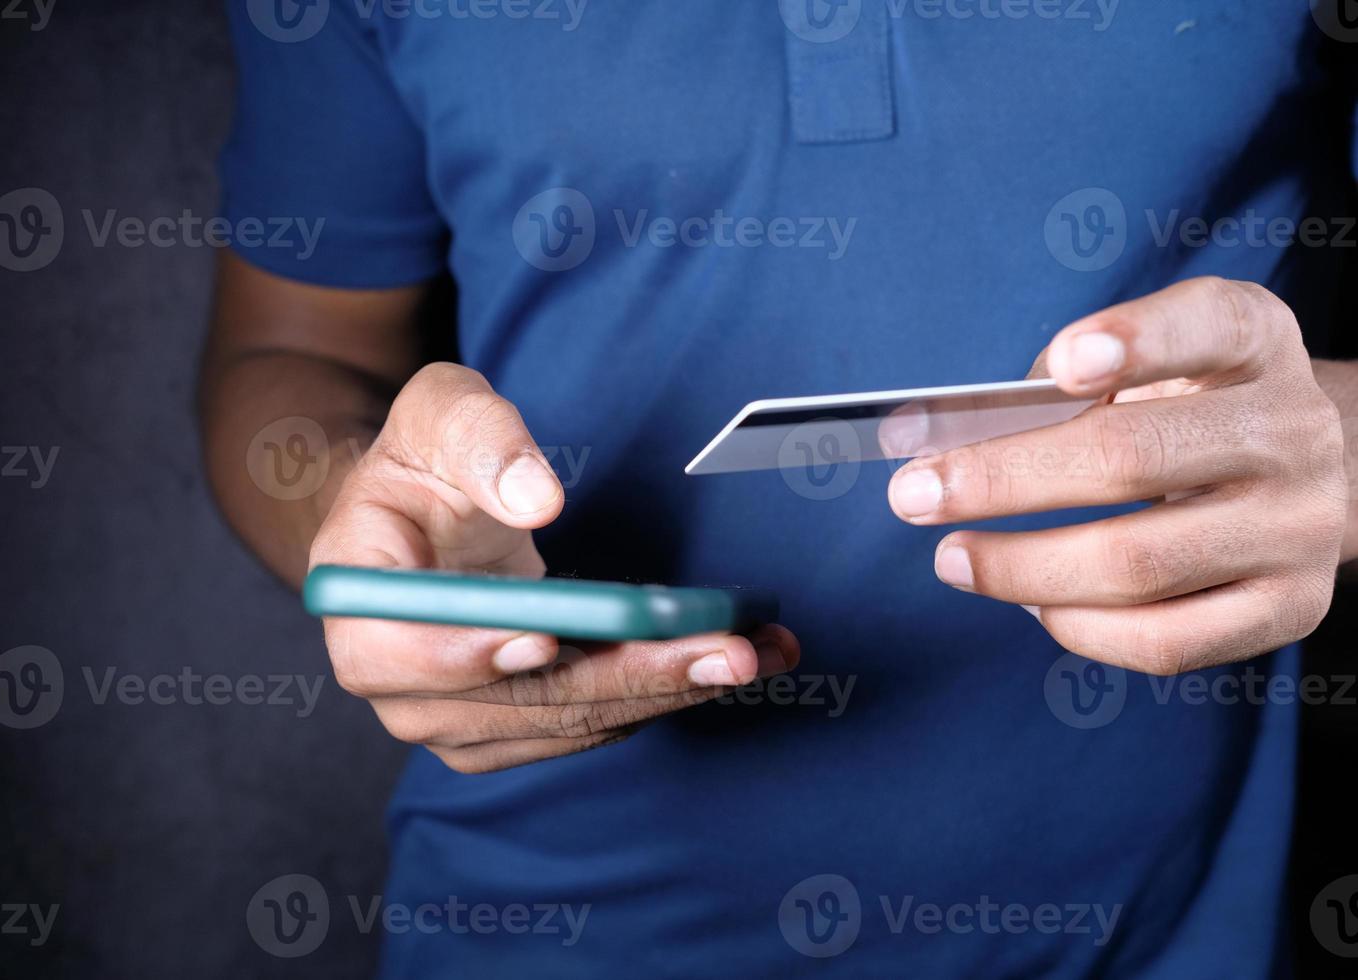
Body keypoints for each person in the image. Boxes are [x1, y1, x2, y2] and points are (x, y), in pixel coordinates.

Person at [200, 2, 1358, 974]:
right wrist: (353, 526)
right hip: (544, 927)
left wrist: (1344, 448)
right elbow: (296, 341)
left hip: (1169, 936)